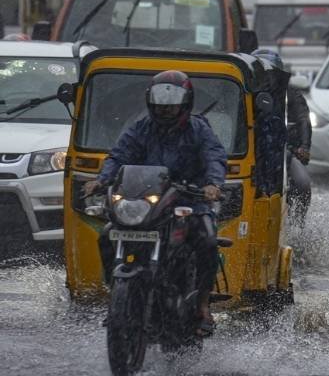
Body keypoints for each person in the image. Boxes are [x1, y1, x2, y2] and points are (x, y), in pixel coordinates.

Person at [83, 70, 227, 337]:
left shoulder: (199, 130)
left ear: (186, 101)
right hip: (150, 202)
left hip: (190, 201)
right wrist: (102, 179)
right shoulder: (141, 128)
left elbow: (214, 157)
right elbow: (119, 155)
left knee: (207, 240)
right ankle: (117, 296)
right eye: (161, 99)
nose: (166, 107)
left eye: (173, 100)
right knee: (106, 235)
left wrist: (213, 185)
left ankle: (203, 305)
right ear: (150, 99)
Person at [251, 48, 312, 227]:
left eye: (270, 74)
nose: (266, 80)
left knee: (301, 184)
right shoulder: (244, 91)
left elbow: (303, 120)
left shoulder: (291, 94)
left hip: (282, 150)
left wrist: (304, 147)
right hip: (250, 150)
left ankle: (297, 223)